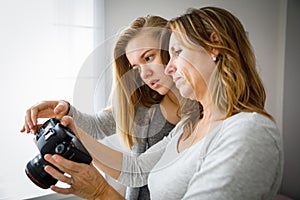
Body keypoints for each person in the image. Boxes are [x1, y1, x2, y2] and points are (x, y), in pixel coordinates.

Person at [35, 6, 284, 200]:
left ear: (213, 47)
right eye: (136, 66)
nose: (168, 66)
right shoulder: (188, 126)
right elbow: (137, 168)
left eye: (176, 52)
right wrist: (72, 125)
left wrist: (101, 193)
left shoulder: (247, 131)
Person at [21, 16, 199, 199]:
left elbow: (137, 171)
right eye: (136, 67)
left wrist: (76, 138)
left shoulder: (200, 118)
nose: (145, 74)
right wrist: (66, 112)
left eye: (149, 57)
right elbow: (98, 126)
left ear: (173, 49)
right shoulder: (145, 104)